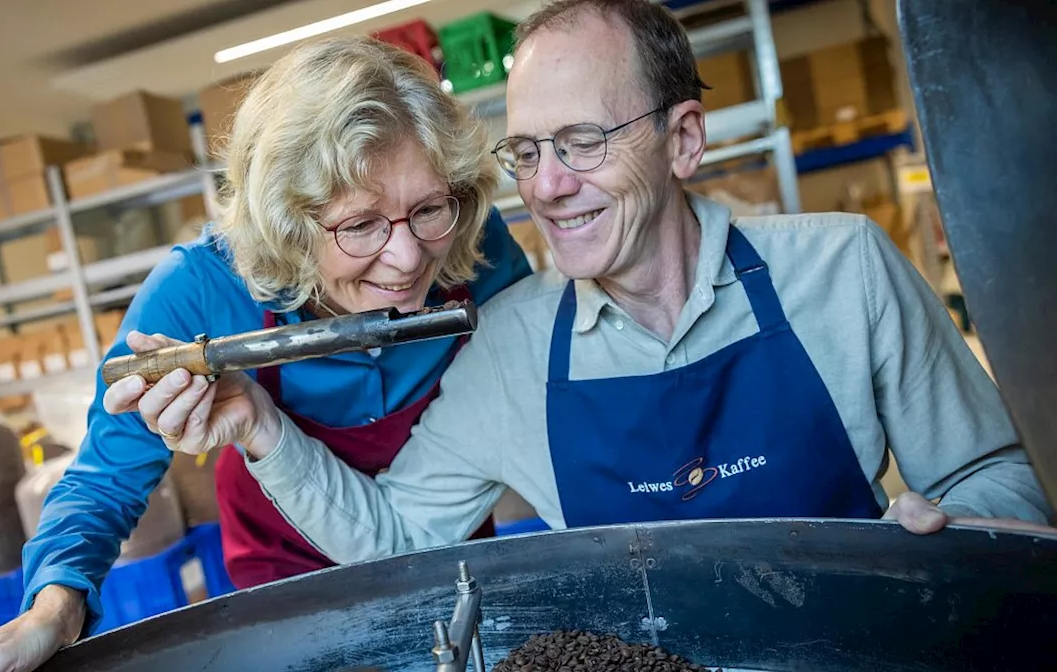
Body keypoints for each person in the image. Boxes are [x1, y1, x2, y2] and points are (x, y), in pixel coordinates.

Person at [119, 0, 1053, 570]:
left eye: (582, 143)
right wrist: (259, 427)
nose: (548, 186)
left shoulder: (844, 270)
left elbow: (991, 476)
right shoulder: (510, 344)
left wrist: (963, 536)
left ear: (684, 139)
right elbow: (398, 537)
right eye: (527, 152)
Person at [0, 36, 532, 672]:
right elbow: (106, 476)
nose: (410, 256)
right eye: (360, 226)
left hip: (449, 558)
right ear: (288, 223)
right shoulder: (202, 290)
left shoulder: (470, 238)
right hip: (283, 586)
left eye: (427, 208)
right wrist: (52, 609)